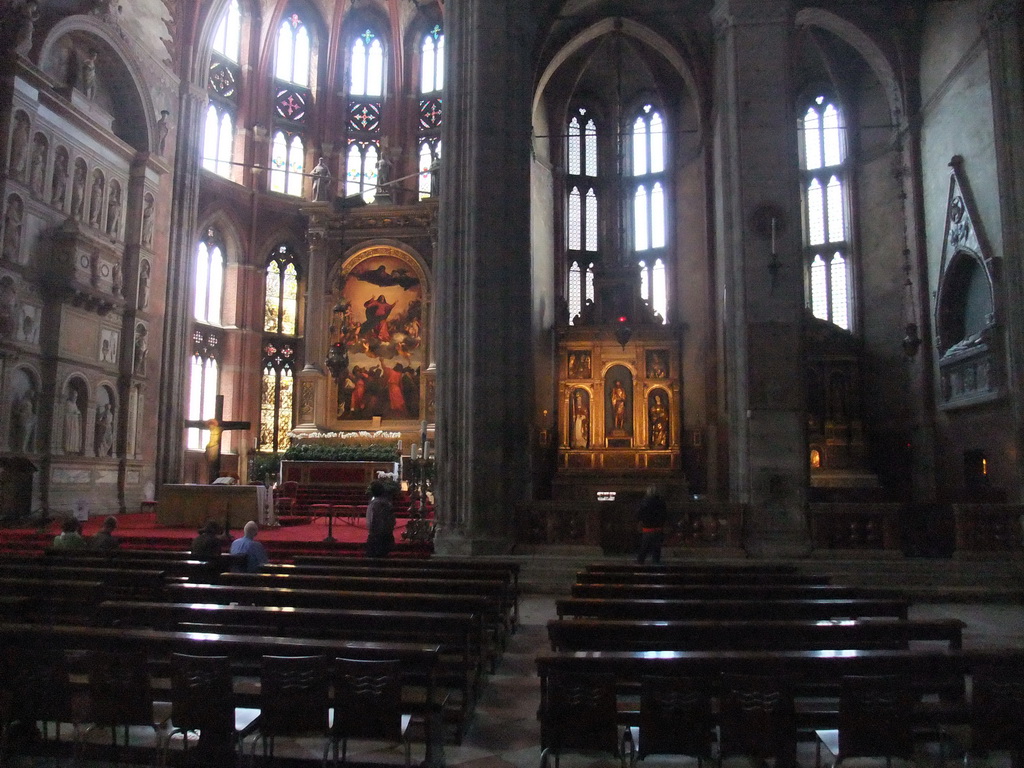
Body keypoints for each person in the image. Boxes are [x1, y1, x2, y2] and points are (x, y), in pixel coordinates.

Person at [636, 485, 668, 565]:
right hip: (657, 529)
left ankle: (640, 563)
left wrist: (640, 522)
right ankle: (656, 565)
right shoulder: (661, 502)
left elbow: (639, 514)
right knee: (656, 549)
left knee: (644, 548)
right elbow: (664, 515)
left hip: (647, 528)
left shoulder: (644, 502)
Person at [365, 479, 396, 558]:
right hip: (386, 536)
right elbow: (392, 520)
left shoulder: (373, 504)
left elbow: (371, 521)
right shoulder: (387, 504)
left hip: (375, 537)